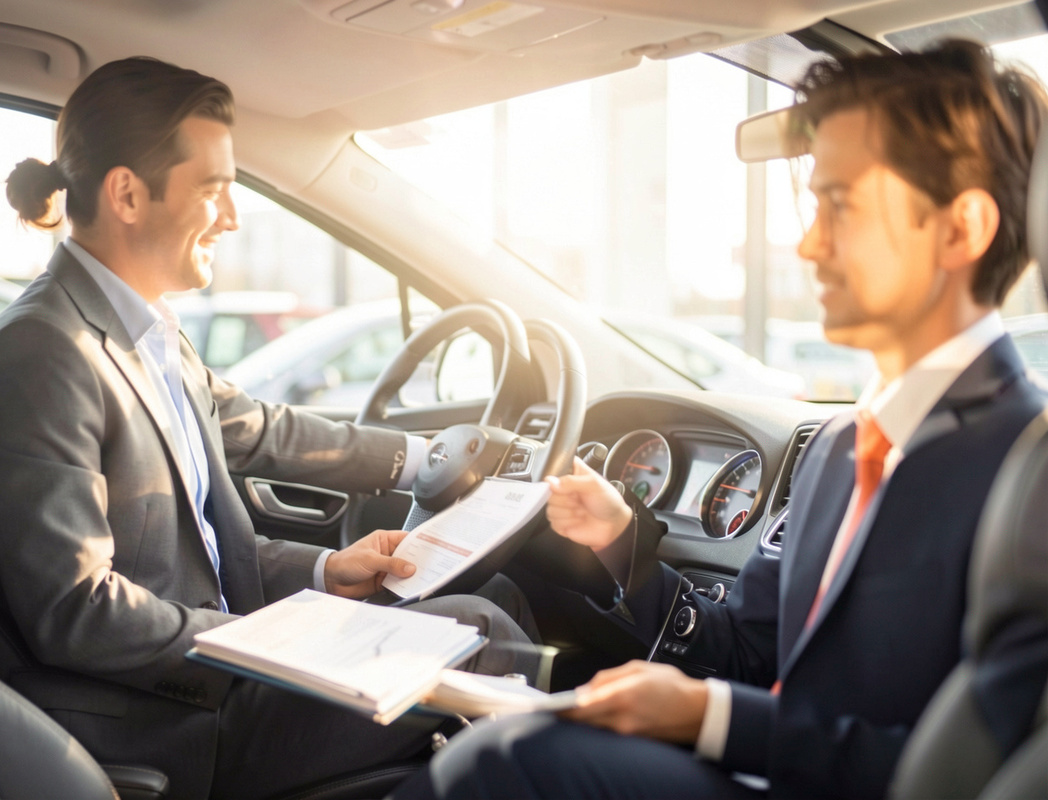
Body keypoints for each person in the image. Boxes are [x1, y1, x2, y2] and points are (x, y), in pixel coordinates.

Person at [392, 39, 1048, 800]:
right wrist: (621, 541)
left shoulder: (1026, 469)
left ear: (960, 228)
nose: (808, 244)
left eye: (841, 207)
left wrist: (712, 717)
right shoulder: (839, 449)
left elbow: (989, 772)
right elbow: (744, 653)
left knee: (507, 763)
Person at [0, 57, 537, 800]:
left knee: (498, 600)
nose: (231, 216)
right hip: (173, 721)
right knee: (483, 633)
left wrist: (327, 571)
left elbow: (229, 490)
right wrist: (269, 642)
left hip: (229, 669)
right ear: (127, 193)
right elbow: (79, 613)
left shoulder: (145, 333)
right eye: (215, 189)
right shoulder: (40, 354)